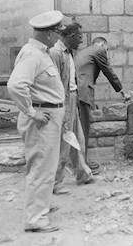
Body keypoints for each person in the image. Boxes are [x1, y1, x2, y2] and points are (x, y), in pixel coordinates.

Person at [7, 10, 65, 232]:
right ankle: (35, 219)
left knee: (45, 166)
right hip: (42, 118)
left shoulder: (40, 52)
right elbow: (15, 86)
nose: (58, 37)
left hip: (48, 116)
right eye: (57, 32)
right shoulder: (33, 54)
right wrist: (32, 112)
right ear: (49, 34)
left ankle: (41, 208)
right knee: (41, 167)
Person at [75, 37, 129, 174]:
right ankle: (83, 165)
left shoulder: (85, 51)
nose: (106, 51)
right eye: (107, 48)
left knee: (79, 128)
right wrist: (122, 91)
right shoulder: (98, 50)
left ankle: (81, 161)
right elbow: (108, 71)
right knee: (83, 129)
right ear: (102, 44)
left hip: (77, 90)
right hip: (82, 91)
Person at [49, 23, 92, 194]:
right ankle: (55, 183)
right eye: (80, 37)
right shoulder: (55, 53)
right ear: (71, 36)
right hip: (63, 101)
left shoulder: (67, 53)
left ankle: (83, 174)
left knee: (77, 139)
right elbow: (55, 84)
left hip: (72, 98)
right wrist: (63, 109)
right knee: (64, 143)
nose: (81, 41)